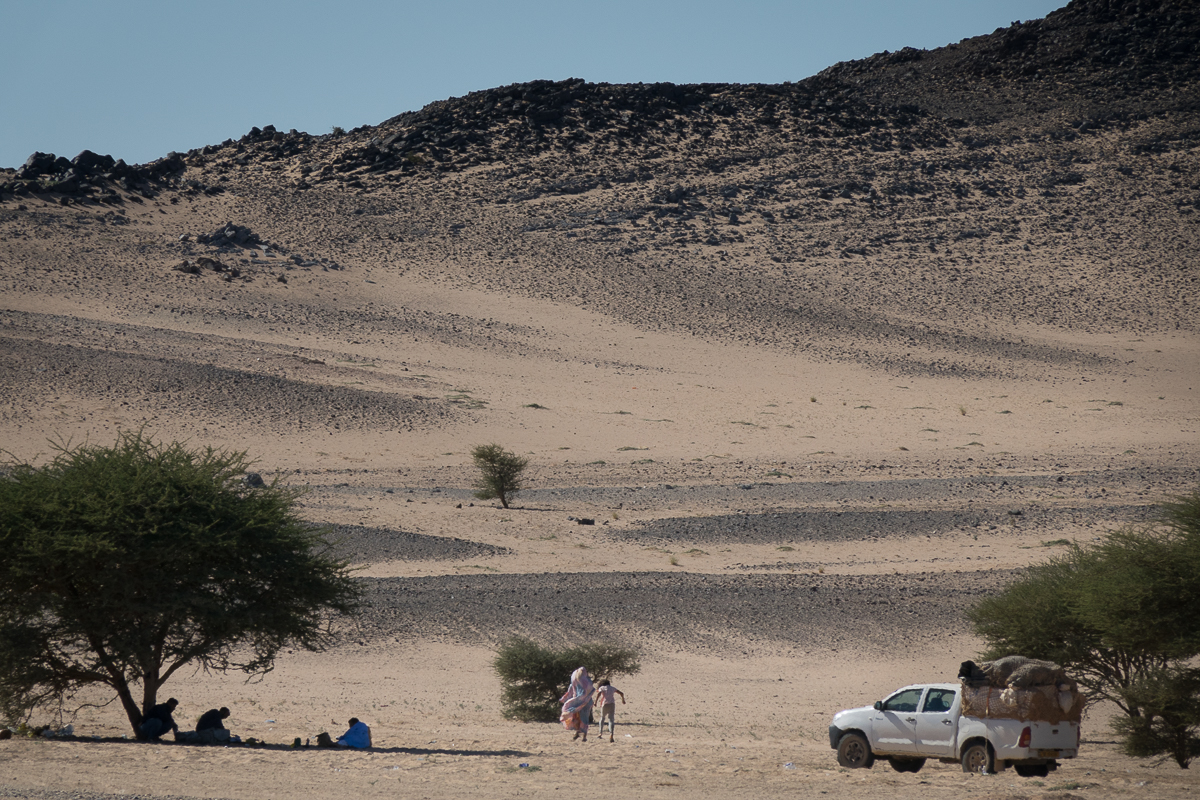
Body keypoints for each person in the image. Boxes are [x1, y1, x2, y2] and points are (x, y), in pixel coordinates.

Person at [559, 666, 595, 742]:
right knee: (583, 719)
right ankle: (581, 734)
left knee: (577, 718)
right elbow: (591, 690)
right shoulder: (588, 682)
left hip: (577, 703)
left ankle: (580, 734)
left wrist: (565, 698)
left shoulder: (576, 681)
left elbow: (570, 691)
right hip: (586, 703)